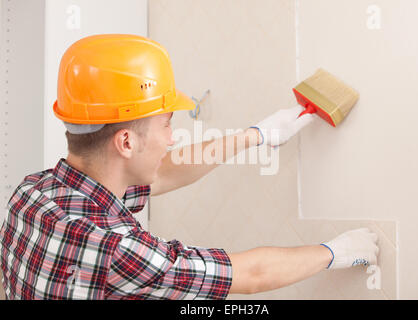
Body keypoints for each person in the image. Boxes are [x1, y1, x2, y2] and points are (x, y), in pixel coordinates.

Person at [0, 34, 379, 300]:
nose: (171, 138)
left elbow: (162, 173)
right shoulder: (120, 249)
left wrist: (256, 134)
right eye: (167, 124)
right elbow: (249, 274)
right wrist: (338, 251)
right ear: (126, 142)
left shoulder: (32, 192)